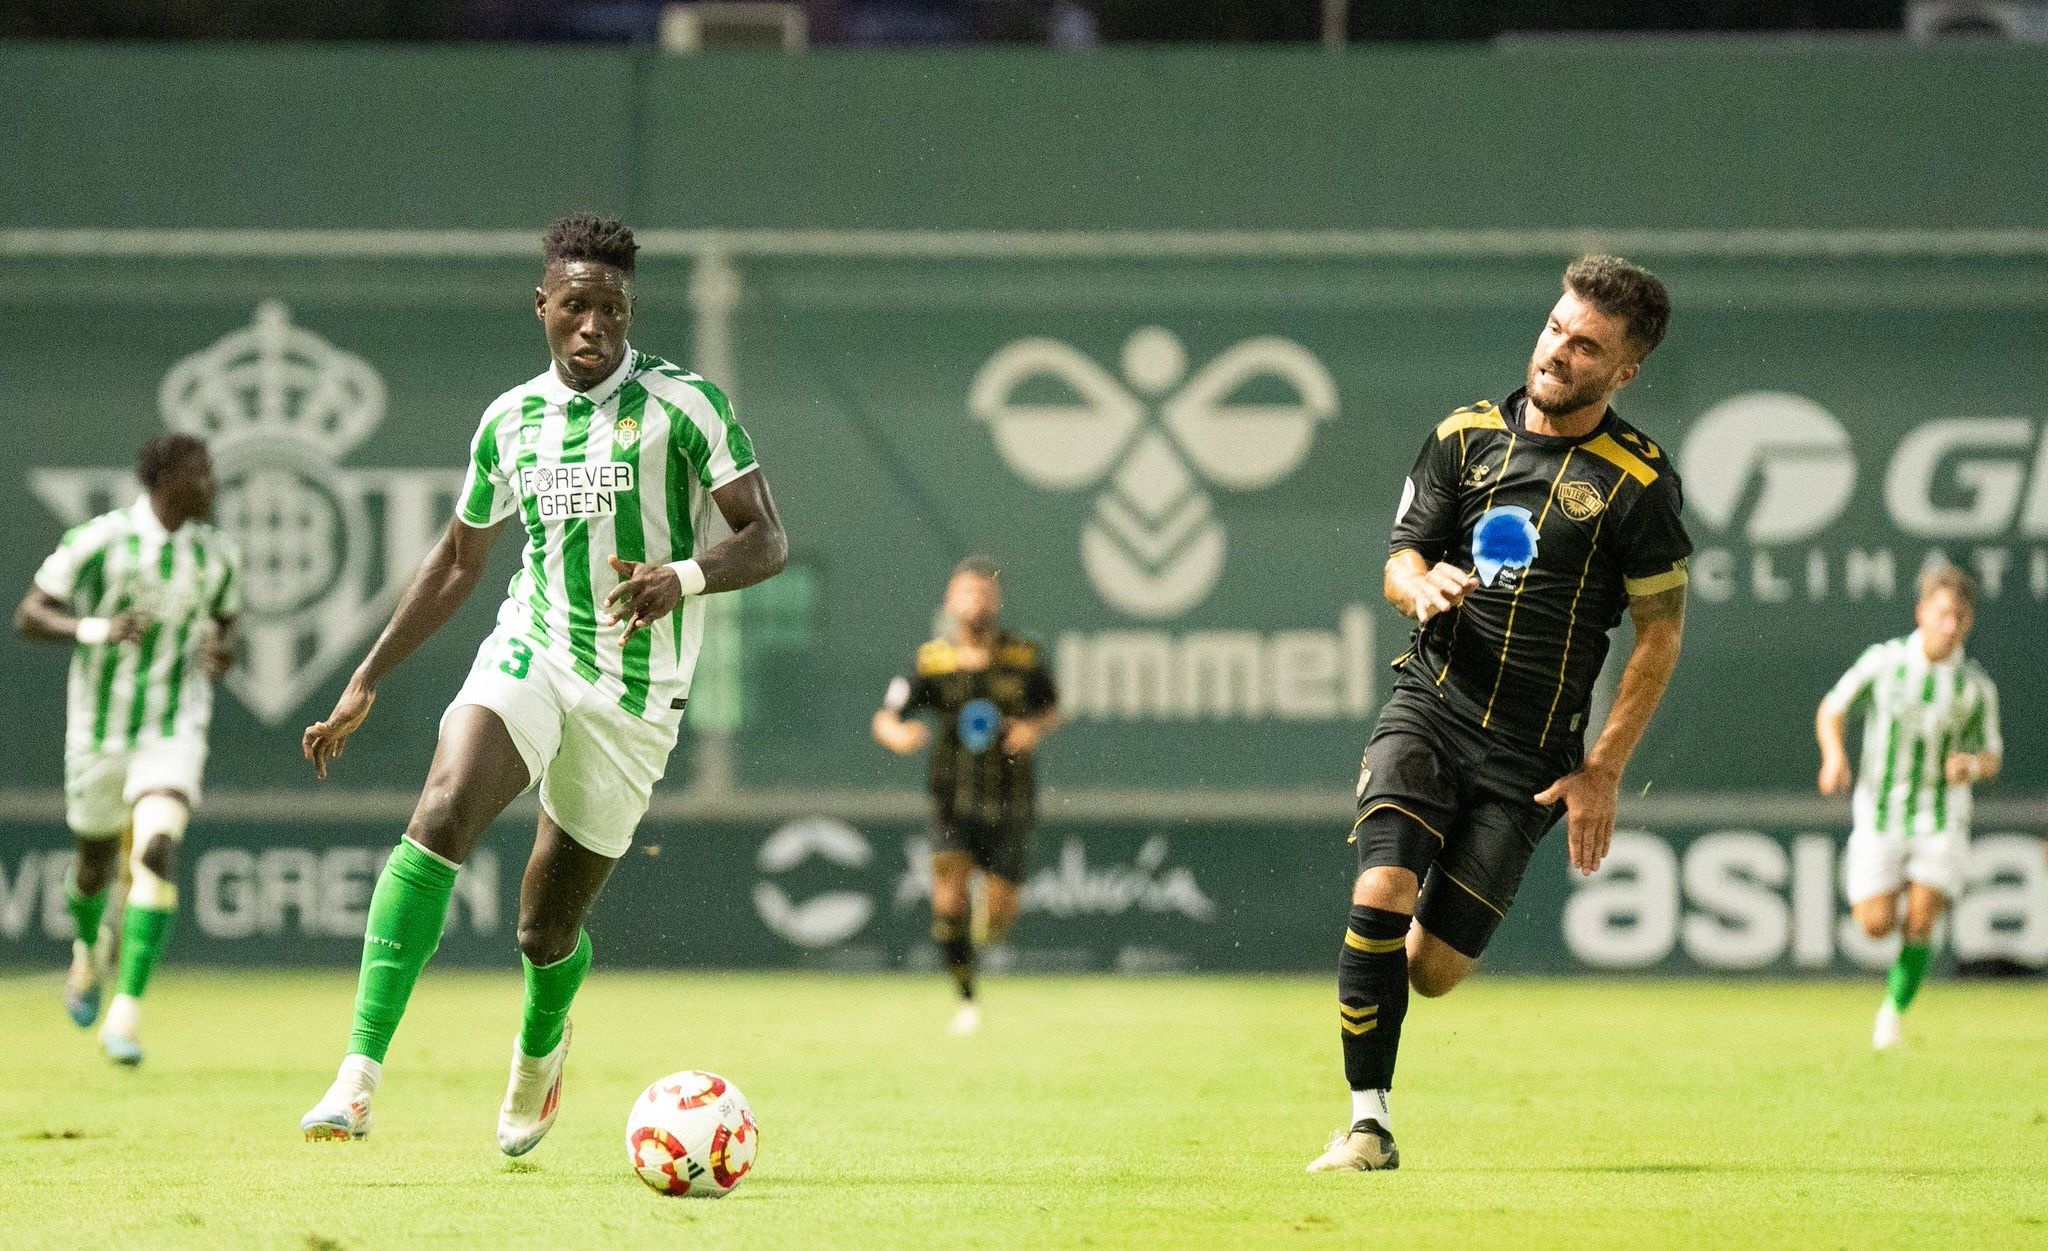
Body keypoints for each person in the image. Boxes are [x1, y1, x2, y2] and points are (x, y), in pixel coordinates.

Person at [296, 215, 787, 1151]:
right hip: (535, 644)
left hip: (636, 693)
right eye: (575, 306)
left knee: (541, 928)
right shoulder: (509, 419)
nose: (593, 324)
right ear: (543, 307)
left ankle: (538, 1050)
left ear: (629, 311)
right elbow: (455, 561)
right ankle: (356, 1076)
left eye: (611, 308)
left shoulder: (687, 407)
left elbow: (767, 538)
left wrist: (679, 577)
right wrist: (365, 676)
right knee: (441, 808)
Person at [1307, 256, 1690, 1172]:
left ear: (1624, 371)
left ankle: (1379, 982)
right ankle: (1369, 1123)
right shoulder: (1465, 435)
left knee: (1432, 971)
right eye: (1557, 327)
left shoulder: (1638, 484)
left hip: (1530, 757)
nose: (1559, 350)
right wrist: (1419, 583)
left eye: (1586, 344)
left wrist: (1601, 770)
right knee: (1381, 892)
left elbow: (1659, 635)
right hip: (1431, 707)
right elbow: (1401, 555)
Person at [13, 433, 238, 1065]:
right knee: (92, 866)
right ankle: (88, 953)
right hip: (99, 731)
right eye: (202, 475)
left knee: (157, 850)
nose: (212, 485)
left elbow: (226, 623)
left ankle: (126, 1015)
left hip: (174, 725)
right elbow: (31, 614)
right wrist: (97, 629)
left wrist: (222, 652)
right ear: (166, 480)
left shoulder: (218, 554)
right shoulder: (99, 540)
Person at [1816, 564, 2001, 1050]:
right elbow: (1832, 708)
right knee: (1876, 926)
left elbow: (1992, 754)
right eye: (1942, 613)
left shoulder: (1975, 686)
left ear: (1969, 623)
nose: (1950, 624)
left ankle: (1891, 1013)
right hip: (1880, 812)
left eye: (1959, 616)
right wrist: (1834, 755)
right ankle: (1888, 893)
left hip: (1942, 816)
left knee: (1921, 920)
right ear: (1921, 613)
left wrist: (1972, 768)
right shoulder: (1884, 662)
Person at [872, 556, 1058, 1035]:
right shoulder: (932, 660)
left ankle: (985, 927)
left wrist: (1033, 730)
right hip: (952, 802)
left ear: (997, 602)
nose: (977, 601)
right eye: (967, 592)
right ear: (951, 602)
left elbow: (1052, 708)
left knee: (997, 920)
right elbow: (887, 716)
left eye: (984, 592)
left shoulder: (1025, 657)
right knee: (948, 900)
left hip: (1011, 801)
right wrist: (900, 735)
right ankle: (967, 997)